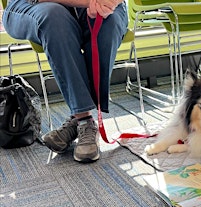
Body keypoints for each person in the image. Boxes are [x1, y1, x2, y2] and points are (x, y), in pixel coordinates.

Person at [2, 0, 127, 163]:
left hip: (88, 4)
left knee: (110, 21)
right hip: (31, 4)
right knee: (54, 17)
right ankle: (84, 119)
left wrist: (109, 1)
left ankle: (76, 120)